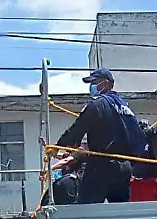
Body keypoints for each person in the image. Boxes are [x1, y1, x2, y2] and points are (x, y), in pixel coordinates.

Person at [54, 67, 136, 203]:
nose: (92, 86)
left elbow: (78, 128)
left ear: (106, 83)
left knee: (87, 207)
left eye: (94, 82)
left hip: (102, 165)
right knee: (120, 210)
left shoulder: (98, 104)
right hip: (124, 167)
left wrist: (58, 145)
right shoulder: (125, 107)